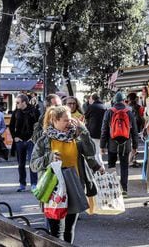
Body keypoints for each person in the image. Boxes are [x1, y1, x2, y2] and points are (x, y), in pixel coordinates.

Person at [30, 105, 104, 244]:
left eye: (70, 120)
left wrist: (84, 132)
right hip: (53, 190)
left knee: (69, 228)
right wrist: (49, 157)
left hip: (74, 186)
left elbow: (90, 152)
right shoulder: (44, 141)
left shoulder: (76, 138)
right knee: (56, 230)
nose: (69, 123)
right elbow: (33, 165)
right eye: (65, 120)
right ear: (54, 120)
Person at [100, 91, 139, 197]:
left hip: (112, 143)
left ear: (114, 101)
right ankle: (124, 190)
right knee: (124, 166)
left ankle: (113, 189)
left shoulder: (109, 112)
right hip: (126, 144)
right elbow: (134, 131)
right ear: (123, 100)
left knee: (111, 165)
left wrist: (102, 145)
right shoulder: (129, 112)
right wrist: (135, 146)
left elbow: (104, 130)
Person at [9, 94, 40, 192]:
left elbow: (39, 126)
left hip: (31, 141)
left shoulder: (34, 111)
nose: (16, 104)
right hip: (20, 141)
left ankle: (34, 184)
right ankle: (22, 184)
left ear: (24, 102)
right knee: (21, 164)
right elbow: (11, 126)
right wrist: (15, 137)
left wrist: (34, 137)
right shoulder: (16, 112)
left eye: (18, 102)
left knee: (32, 163)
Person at [84, 93, 106, 167]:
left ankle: (100, 168)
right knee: (98, 151)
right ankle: (100, 167)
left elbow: (85, 116)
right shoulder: (104, 106)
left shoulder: (92, 106)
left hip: (93, 132)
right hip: (103, 132)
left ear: (92, 99)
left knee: (96, 152)